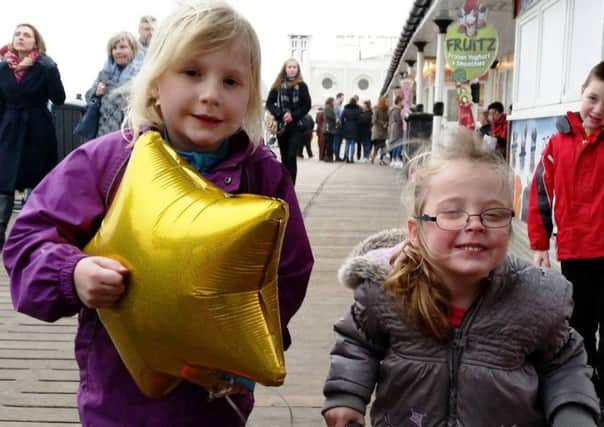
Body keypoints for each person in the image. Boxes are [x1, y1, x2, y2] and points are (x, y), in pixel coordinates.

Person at [3, 2, 313, 426]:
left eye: (231, 81)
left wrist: (252, 337)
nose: (210, 94)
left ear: (251, 96)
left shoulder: (263, 175)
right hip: (119, 393)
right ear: (155, 84)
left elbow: (290, 269)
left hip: (216, 400)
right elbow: (28, 240)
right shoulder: (108, 161)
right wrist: (71, 274)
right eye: (191, 73)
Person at [322, 128, 599, 427]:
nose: (475, 225)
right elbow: (358, 343)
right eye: (452, 212)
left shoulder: (537, 299)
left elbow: (563, 361)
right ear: (416, 232)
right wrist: (347, 395)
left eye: (493, 215)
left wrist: (573, 411)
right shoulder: (389, 290)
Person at [528, 60, 604, 400]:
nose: (598, 110)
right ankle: (584, 384)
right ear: (581, 93)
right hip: (575, 250)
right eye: (593, 98)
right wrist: (539, 242)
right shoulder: (558, 143)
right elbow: (541, 193)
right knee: (580, 324)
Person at [0, 23, 65, 250]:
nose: (20, 37)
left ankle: (30, 235)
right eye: (17, 34)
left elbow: (58, 98)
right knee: (4, 182)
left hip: (38, 131)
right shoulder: (3, 68)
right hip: (9, 130)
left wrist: (51, 70)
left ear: (35, 42)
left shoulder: (44, 66)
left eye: (26, 35)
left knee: (37, 183)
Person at [85, 31, 140, 139]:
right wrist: (96, 93)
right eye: (114, 48)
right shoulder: (105, 73)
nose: (118, 51)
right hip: (103, 133)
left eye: (123, 47)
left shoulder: (140, 75)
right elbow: (88, 97)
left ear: (133, 49)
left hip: (128, 135)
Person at [265, 58, 311, 184]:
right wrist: (280, 113)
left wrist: (293, 115)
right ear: (285, 69)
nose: (292, 69)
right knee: (284, 157)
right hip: (282, 126)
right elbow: (269, 103)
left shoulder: (302, 86)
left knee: (291, 156)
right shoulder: (278, 85)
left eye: (294, 67)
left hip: (296, 126)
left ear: (298, 70)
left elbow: (307, 105)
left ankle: (291, 186)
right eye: (289, 67)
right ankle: (285, 185)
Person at [341, 97, 361, 163]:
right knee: (352, 144)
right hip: (354, 127)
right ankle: (352, 158)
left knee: (347, 143)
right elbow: (359, 119)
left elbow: (341, 117)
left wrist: (344, 124)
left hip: (347, 126)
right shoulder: (357, 110)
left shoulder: (345, 109)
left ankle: (347, 158)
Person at [370, 95, 388, 165]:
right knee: (378, 146)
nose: (387, 102)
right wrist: (382, 123)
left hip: (384, 130)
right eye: (386, 101)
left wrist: (386, 123)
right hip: (377, 130)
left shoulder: (387, 109)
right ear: (382, 102)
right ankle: (375, 156)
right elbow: (374, 120)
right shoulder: (377, 109)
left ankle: (380, 159)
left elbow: (388, 119)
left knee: (383, 146)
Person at [387, 95, 403, 168]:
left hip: (393, 128)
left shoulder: (392, 109)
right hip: (397, 128)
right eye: (402, 101)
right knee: (399, 144)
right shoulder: (397, 110)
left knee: (395, 144)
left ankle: (393, 160)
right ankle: (397, 159)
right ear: (399, 101)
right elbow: (399, 120)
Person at [322, 97, 336, 162]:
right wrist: (336, 118)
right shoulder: (328, 108)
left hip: (329, 128)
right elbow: (332, 116)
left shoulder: (329, 108)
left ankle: (328, 157)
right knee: (329, 144)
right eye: (333, 101)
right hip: (328, 128)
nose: (334, 102)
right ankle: (329, 157)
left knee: (329, 143)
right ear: (331, 102)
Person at [333, 92, 345, 161]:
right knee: (336, 142)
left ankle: (337, 156)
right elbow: (336, 116)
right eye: (342, 98)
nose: (343, 99)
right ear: (339, 97)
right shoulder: (336, 105)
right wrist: (339, 121)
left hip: (340, 126)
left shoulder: (340, 105)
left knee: (339, 141)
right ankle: (336, 156)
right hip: (337, 126)